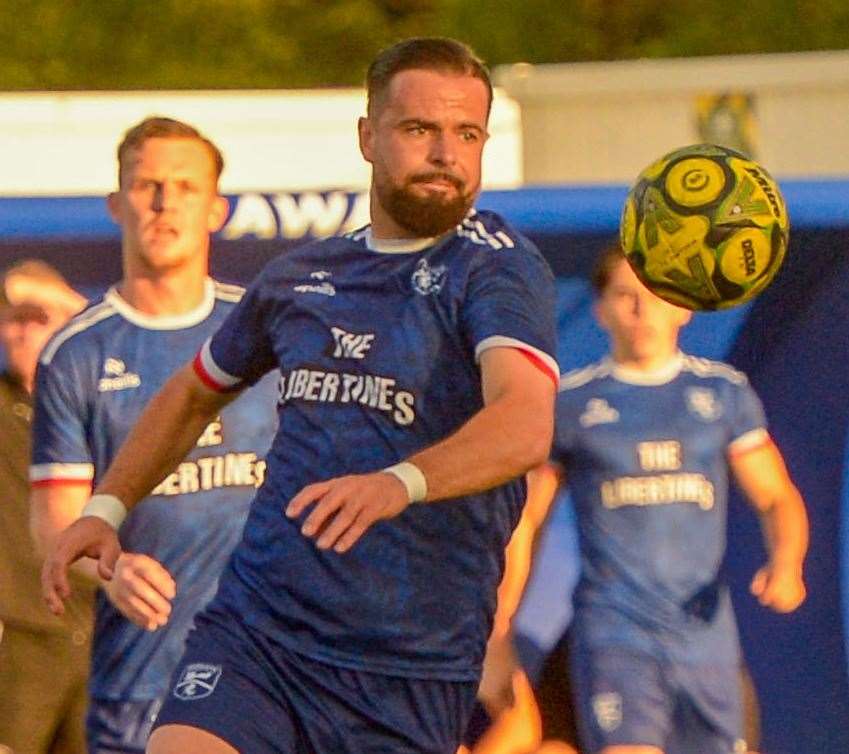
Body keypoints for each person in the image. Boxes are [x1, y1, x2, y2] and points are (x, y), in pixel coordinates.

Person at [41, 37, 559, 754]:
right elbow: (192, 394)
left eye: (466, 134)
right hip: (260, 632)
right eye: (419, 129)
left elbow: (524, 423)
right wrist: (107, 506)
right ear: (367, 137)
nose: (445, 152)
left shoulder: (494, 270)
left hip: (403, 664)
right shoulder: (302, 276)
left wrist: (398, 483)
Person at [477, 245, 808, 754]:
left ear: (683, 307)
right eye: (625, 296)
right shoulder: (575, 404)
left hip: (704, 641)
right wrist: (502, 629)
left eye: (655, 296)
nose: (641, 310)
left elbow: (775, 497)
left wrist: (787, 562)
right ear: (601, 309)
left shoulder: (722, 395)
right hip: (615, 636)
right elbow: (529, 523)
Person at [29, 117, 278, 754]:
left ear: (217, 209)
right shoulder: (77, 352)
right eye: (147, 185)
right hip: (140, 682)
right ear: (116, 204)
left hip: (267, 675)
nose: (165, 203)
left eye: (185, 187)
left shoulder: (264, 331)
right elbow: (57, 522)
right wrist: (112, 571)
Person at [0, 261, 87, 754]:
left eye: (40, 319)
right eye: (15, 319)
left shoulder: (99, 406)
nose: (23, 332)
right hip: (20, 644)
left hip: (99, 633)